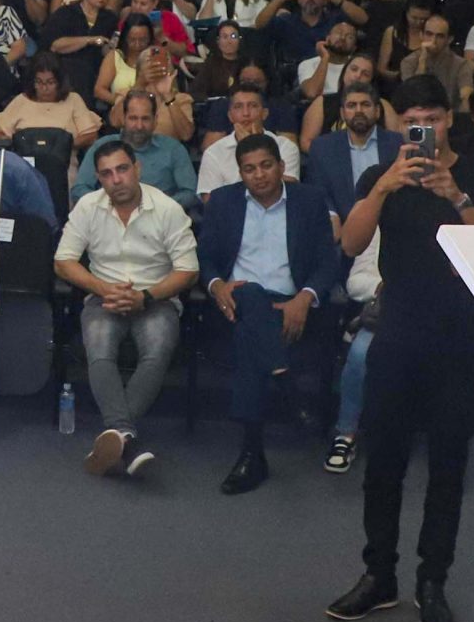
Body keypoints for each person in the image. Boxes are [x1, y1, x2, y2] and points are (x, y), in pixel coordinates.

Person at [324, 75, 474, 622]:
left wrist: (454, 194)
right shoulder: (383, 176)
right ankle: (379, 575)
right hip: (398, 333)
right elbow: (351, 244)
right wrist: (381, 189)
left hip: (459, 338)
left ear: (451, 118)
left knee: (448, 466)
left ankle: (434, 581)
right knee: (384, 465)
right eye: (411, 120)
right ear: (399, 125)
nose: (423, 128)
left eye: (433, 116)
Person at [198, 133, 343, 495]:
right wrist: (216, 285)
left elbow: (328, 262)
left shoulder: (309, 201)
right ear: (240, 174)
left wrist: (305, 297)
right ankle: (286, 384)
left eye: (266, 166)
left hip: (290, 308)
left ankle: (252, 453)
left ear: (281, 166)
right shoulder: (224, 201)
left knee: (252, 341)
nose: (259, 175)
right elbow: (205, 257)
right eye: (249, 169)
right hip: (235, 303)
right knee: (251, 295)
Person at [55, 137, 199, 479]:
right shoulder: (88, 207)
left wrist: (145, 297)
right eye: (106, 174)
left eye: (122, 169)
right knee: (100, 349)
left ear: (138, 169)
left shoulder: (167, 209)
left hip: (156, 299)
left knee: (157, 349)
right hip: (104, 296)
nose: (116, 179)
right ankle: (126, 436)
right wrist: (103, 287)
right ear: (99, 179)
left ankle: (117, 435)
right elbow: (63, 262)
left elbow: (188, 270)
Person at [70, 89, 198, 212]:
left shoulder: (173, 148)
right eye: (133, 118)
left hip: (160, 220)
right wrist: (111, 206)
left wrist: (158, 208)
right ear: (124, 118)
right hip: (109, 219)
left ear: (155, 120)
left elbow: (190, 193)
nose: (139, 126)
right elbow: (79, 189)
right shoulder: (102, 146)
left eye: (145, 119)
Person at [303, 82, 401, 220]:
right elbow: (317, 190)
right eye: (351, 105)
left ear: (377, 111)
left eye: (365, 105)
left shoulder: (398, 144)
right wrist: (331, 215)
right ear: (342, 113)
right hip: (342, 226)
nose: (359, 110)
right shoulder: (322, 148)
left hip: (391, 223)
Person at [195, 85, 301, 196]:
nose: (246, 113)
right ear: (230, 116)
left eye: (253, 106)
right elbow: (210, 202)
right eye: (238, 107)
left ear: (265, 114)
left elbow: (290, 192)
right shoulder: (213, 153)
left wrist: (253, 145)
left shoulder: (285, 146)